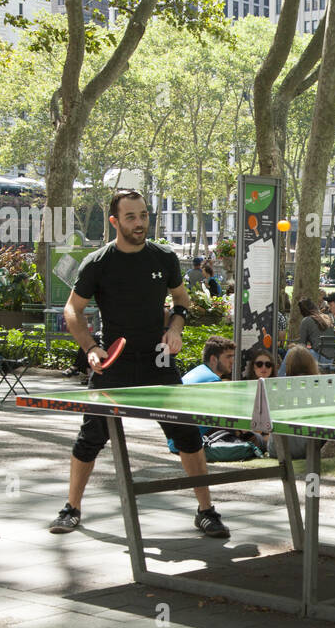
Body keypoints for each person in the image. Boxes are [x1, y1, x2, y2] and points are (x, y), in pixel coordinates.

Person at [50, 189, 229, 539]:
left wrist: (175, 327)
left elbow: (181, 302)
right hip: (113, 364)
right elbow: (72, 309)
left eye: (144, 215)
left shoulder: (163, 257)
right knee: (91, 437)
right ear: (115, 221)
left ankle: (206, 511)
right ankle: (71, 509)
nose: (139, 222)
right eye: (131, 217)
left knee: (187, 435)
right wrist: (89, 347)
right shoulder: (98, 263)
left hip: (157, 363)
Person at [166, 336, 263, 462]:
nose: (233, 360)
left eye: (233, 356)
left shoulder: (198, 372)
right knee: (258, 441)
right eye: (228, 356)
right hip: (193, 443)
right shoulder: (212, 381)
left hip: (177, 442)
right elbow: (232, 420)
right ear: (213, 359)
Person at [291, 296, 332, 368]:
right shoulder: (325, 317)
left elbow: (302, 345)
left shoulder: (306, 320)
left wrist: (293, 345)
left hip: (319, 358)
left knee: (291, 352)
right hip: (331, 359)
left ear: (302, 311)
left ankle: (279, 376)